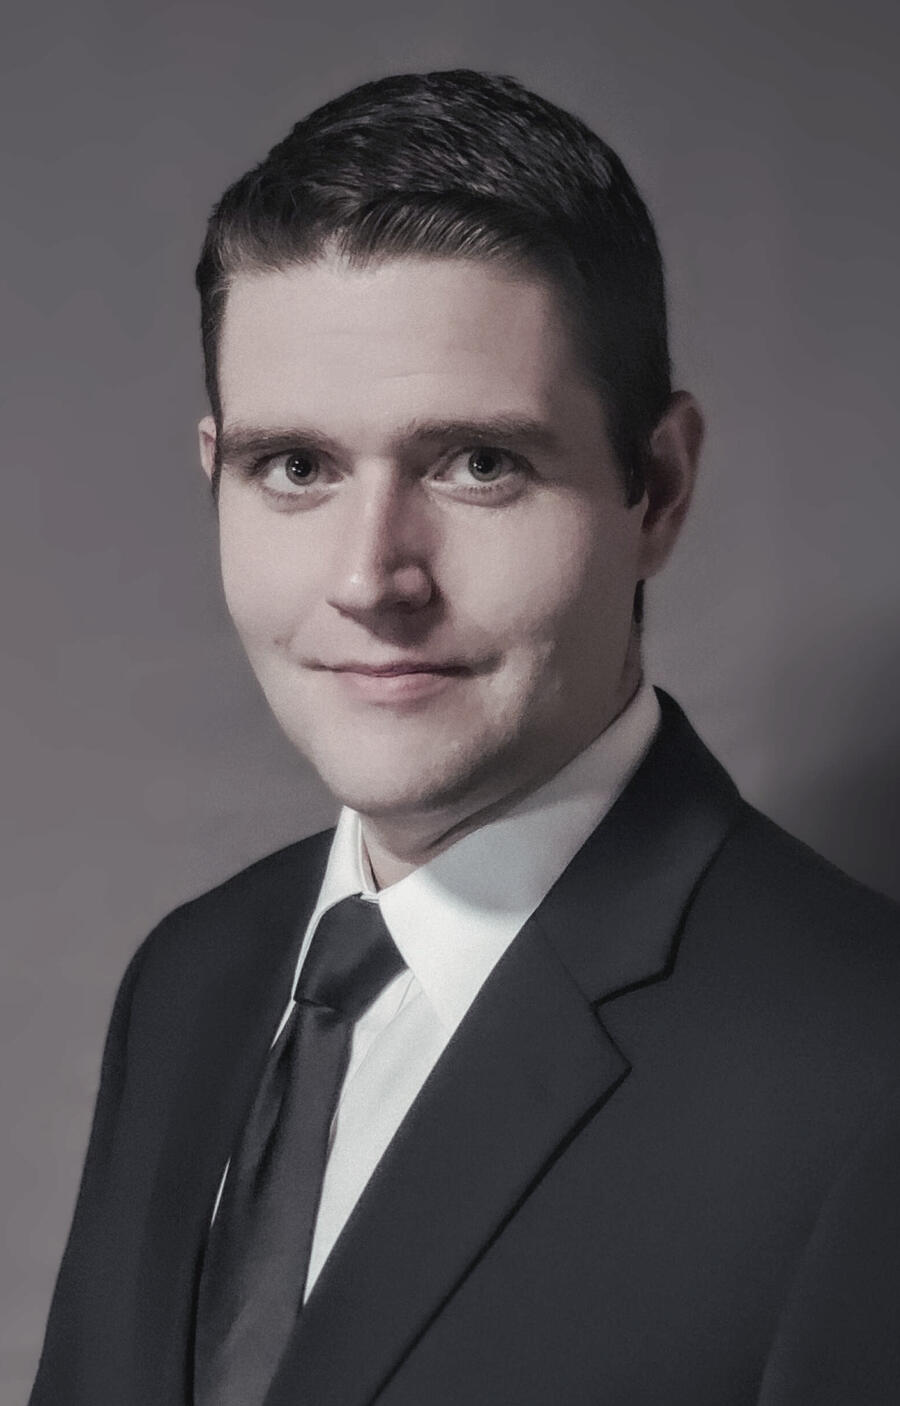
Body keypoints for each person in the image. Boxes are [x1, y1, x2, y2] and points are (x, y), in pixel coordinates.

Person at [29, 69, 900, 1406]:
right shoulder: (191, 980)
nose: (371, 577)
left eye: (479, 464)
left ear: (660, 487)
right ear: (216, 473)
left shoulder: (863, 1074)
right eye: (297, 468)